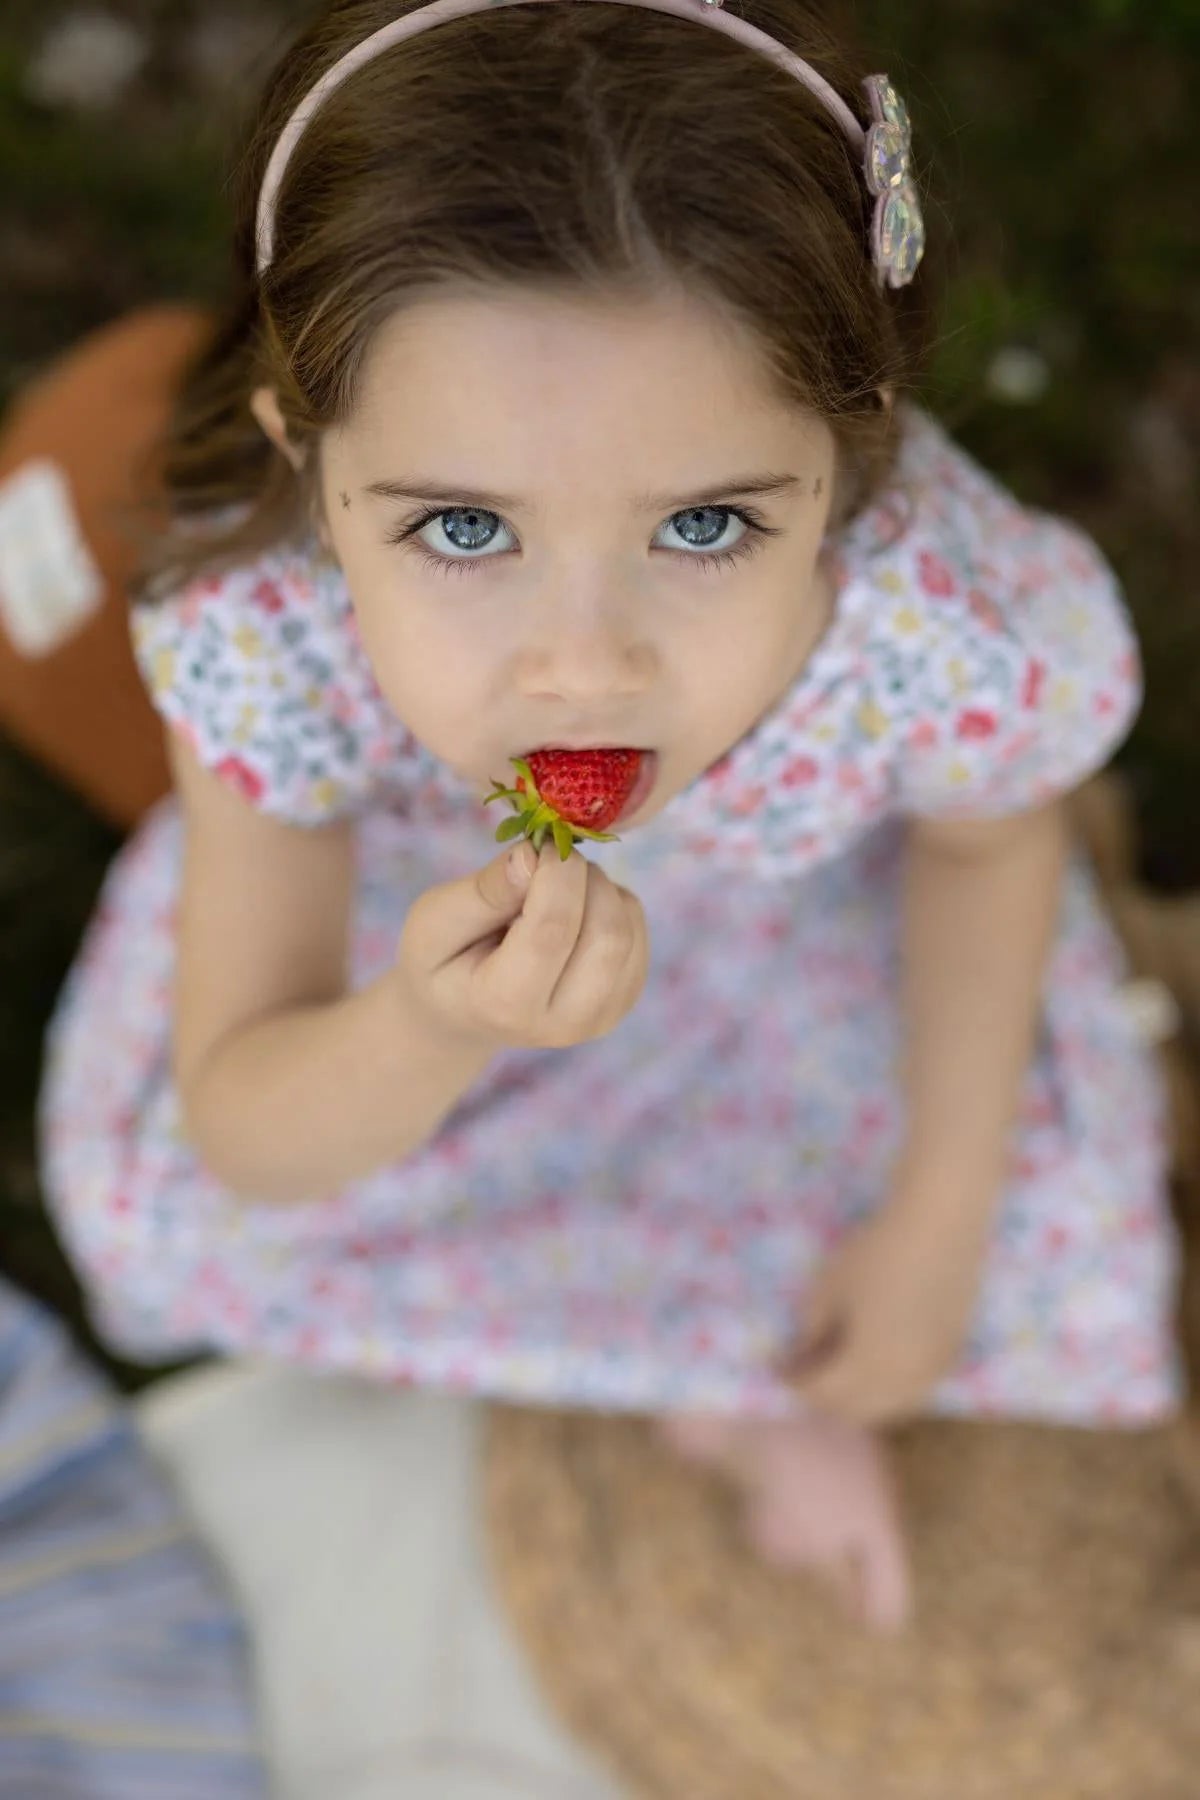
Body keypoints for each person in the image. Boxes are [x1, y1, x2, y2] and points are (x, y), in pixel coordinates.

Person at [37, 0, 1183, 1636]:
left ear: (848, 469)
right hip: (404, 969)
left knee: (1021, 1227)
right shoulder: (268, 636)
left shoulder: (935, 623)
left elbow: (994, 846)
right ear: (314, 461)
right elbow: (245, 1120)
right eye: (460, 527)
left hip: (809, 976)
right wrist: (433, 1025)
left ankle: (758, 1367)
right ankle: (689, 1356)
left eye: (706, 522)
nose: (586, 666)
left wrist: (937, 1215)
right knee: (178, 1213)